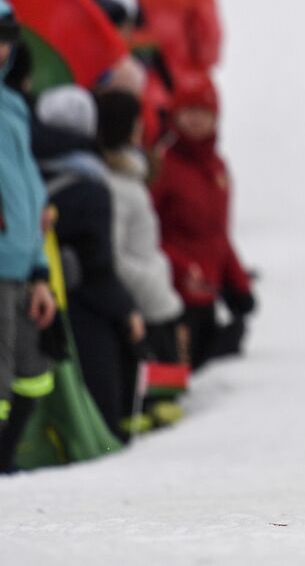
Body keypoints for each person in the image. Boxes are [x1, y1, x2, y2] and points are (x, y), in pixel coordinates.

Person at [33, 83, 144, 441]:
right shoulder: (90, 186)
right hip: (80, 316)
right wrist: (127, 310)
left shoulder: (24, 169)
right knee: (93, 421)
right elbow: (98, 268)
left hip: (25, 303)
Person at [96, 89, 187, 429]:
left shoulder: (131, 174)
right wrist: (150, 281)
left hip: (153, 296)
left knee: (167, 401)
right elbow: (116, 253)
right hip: (144, 301)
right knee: (150, 408)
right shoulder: (115, 184)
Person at [151, 73, 254, 369]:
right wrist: (183, 270)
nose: (196, 120)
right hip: (173, 299)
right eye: (188, 111)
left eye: (204, 112)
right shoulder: (162, 166)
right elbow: (148, 236)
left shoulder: (217, 168)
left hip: (207, 299)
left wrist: (238, 284)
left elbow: (219, 236)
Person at [0, 0, 56, 472]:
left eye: (6, 39)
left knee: (32, 376)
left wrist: (40, 271)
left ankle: (7, 460)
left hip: (22, 264)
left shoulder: (13, 105)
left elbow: (30, 192)